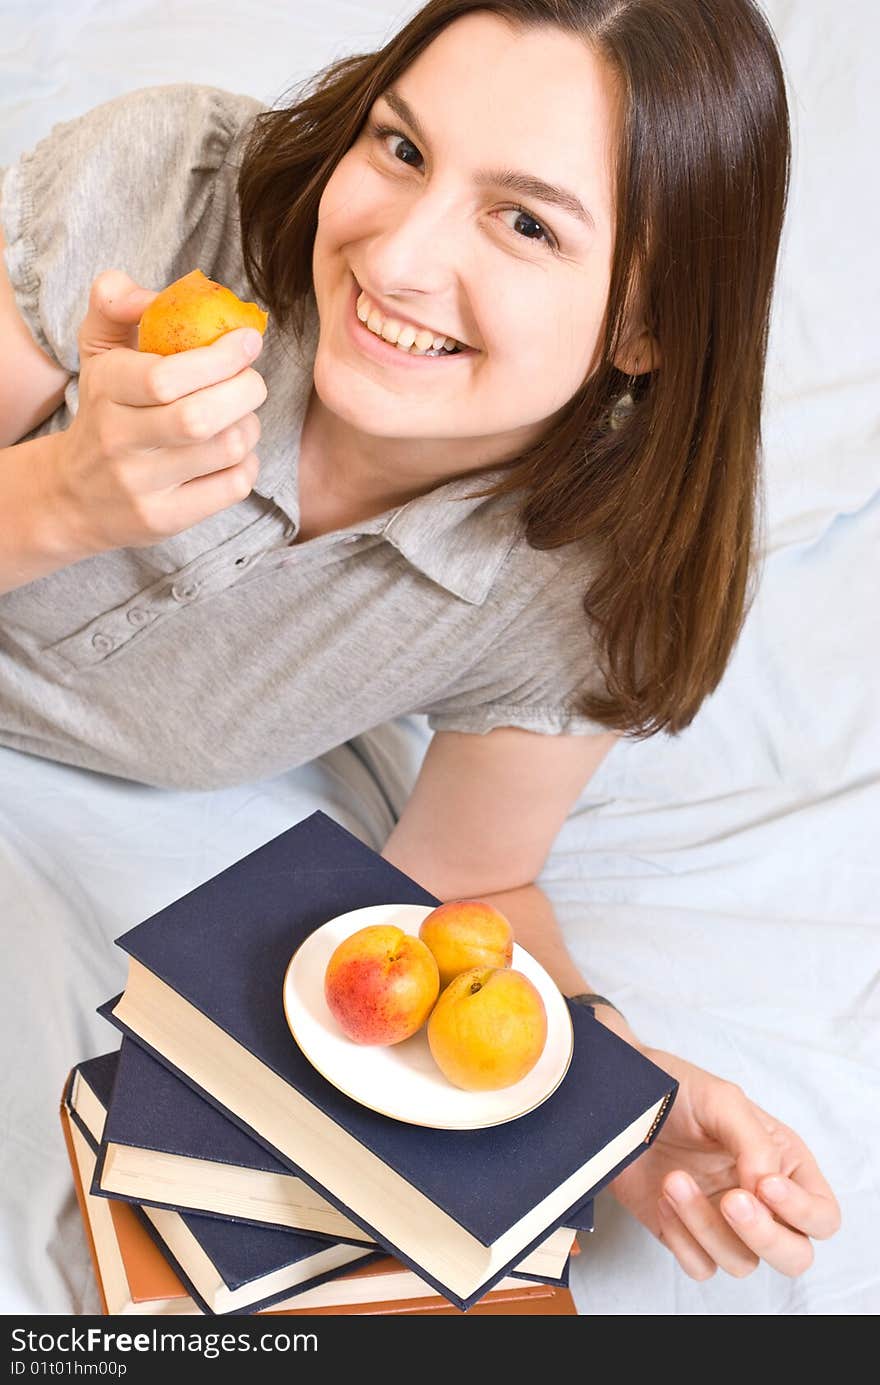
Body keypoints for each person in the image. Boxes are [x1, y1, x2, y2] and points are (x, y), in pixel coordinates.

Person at [0, 0, 840, 1293]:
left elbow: (473, 886)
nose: (394, 260)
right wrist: (59, 494)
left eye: (524, 221)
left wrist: (620, 1104)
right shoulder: (169, 201)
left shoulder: (584, 583)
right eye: (400, 148)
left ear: (646, 323)